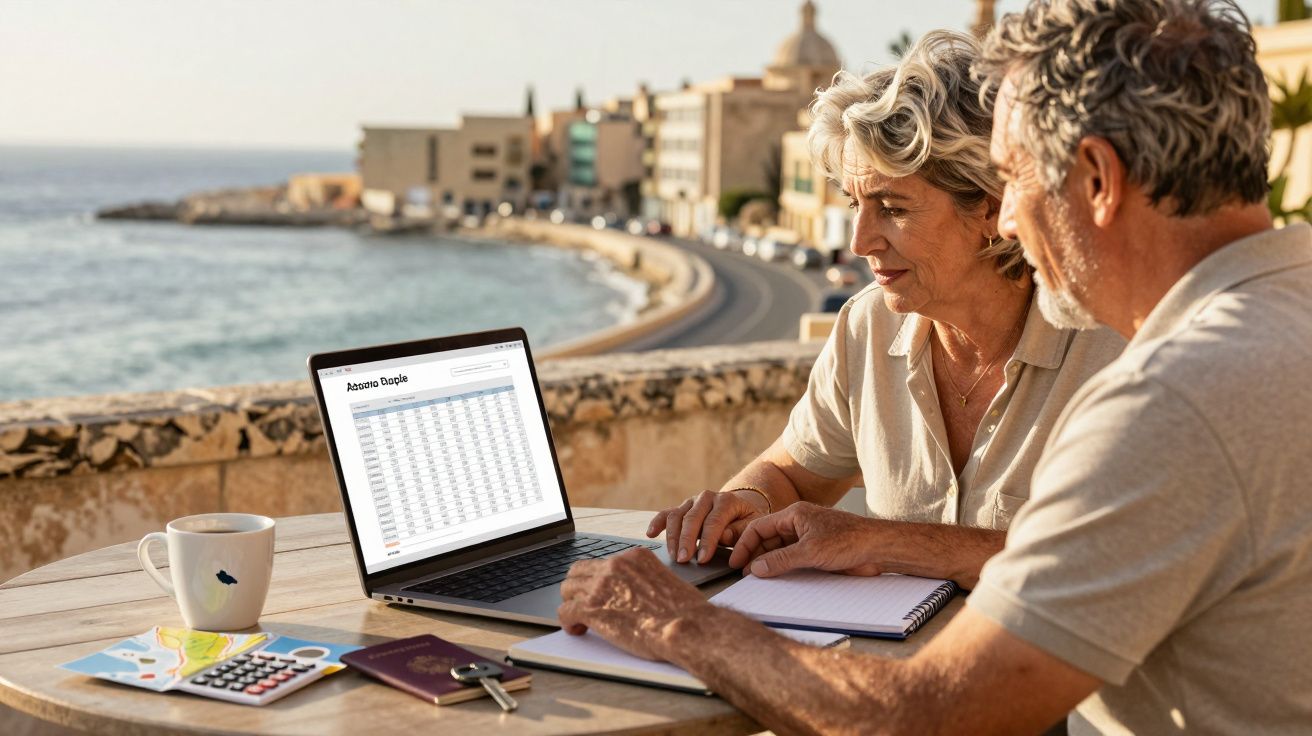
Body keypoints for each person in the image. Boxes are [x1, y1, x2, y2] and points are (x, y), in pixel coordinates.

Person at [560, 1, 1312, 733]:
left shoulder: (1171, 399)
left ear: (1097, 178)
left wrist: (675, 623)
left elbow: (930, 716)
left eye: (1016, 178)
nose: (1011, 219)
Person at [648, 31, 1124, 589]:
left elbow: (1111, 560)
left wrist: (879, 540)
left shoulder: (1112, 344)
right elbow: (789, 474)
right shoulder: (867, 326)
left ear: (991, 209)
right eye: (855, 204)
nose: (860, 240)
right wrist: (741, 504)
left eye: (892, 208)